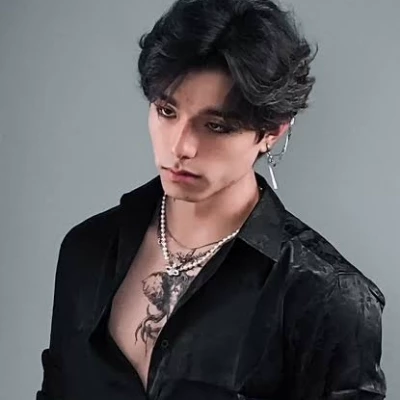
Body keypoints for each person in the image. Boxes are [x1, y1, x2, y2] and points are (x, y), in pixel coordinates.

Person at [36, 0, 387, 399]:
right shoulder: (87, 249)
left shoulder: (327, 296)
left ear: (272, 131)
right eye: (166, 111)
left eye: (216, 126)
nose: (180, 147)